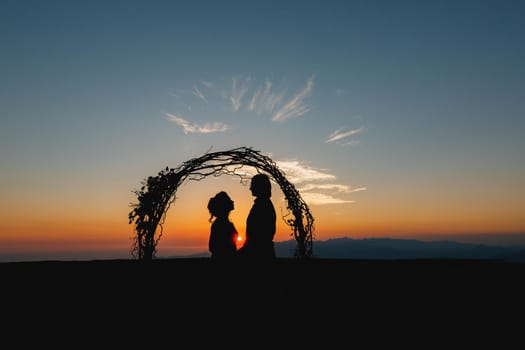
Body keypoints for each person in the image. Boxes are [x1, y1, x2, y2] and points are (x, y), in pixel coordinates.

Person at [238, 173, 277, 259]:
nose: (250, 188)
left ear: (259, 187)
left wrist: (243, 252)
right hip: (263, 252)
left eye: (253, 185)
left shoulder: (262, 206)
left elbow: (258, 236)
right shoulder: (264, 204)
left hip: (259, 254)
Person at [207, 191, 238, 259]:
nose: (232, 201)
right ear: (224, 205)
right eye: (229, 200)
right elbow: (213, 247)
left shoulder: (223, 223)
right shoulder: (220, 224)